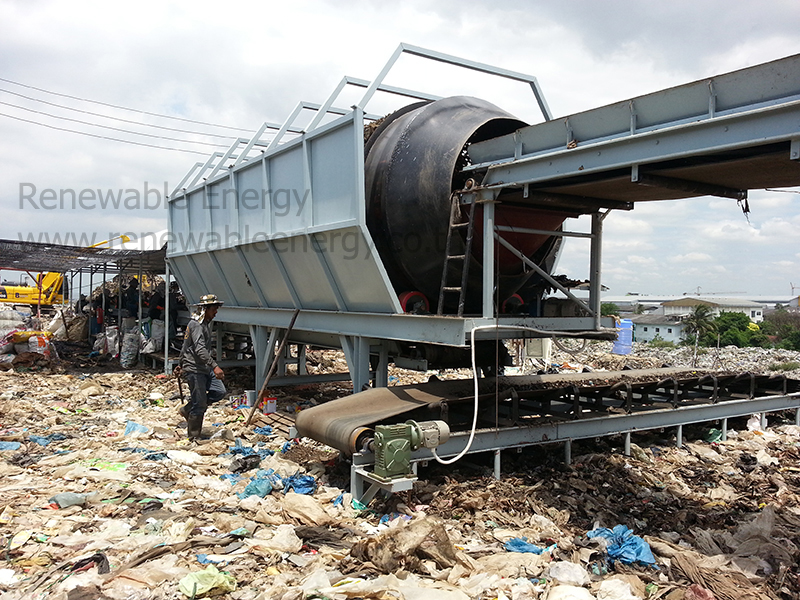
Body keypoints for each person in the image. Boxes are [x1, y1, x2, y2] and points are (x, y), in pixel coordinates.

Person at [177, 294, 225, 440]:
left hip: (204, 367)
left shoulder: (203, 324)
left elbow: (185, 345)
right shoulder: (196, 325)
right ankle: (194, 437)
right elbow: (199, 349)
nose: (216, 312)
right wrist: (215, 366)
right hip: (195, 368)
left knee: (219, 391)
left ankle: (188, 408)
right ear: (205, 309)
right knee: (199, 404)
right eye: (214, 309)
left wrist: (179, 363)